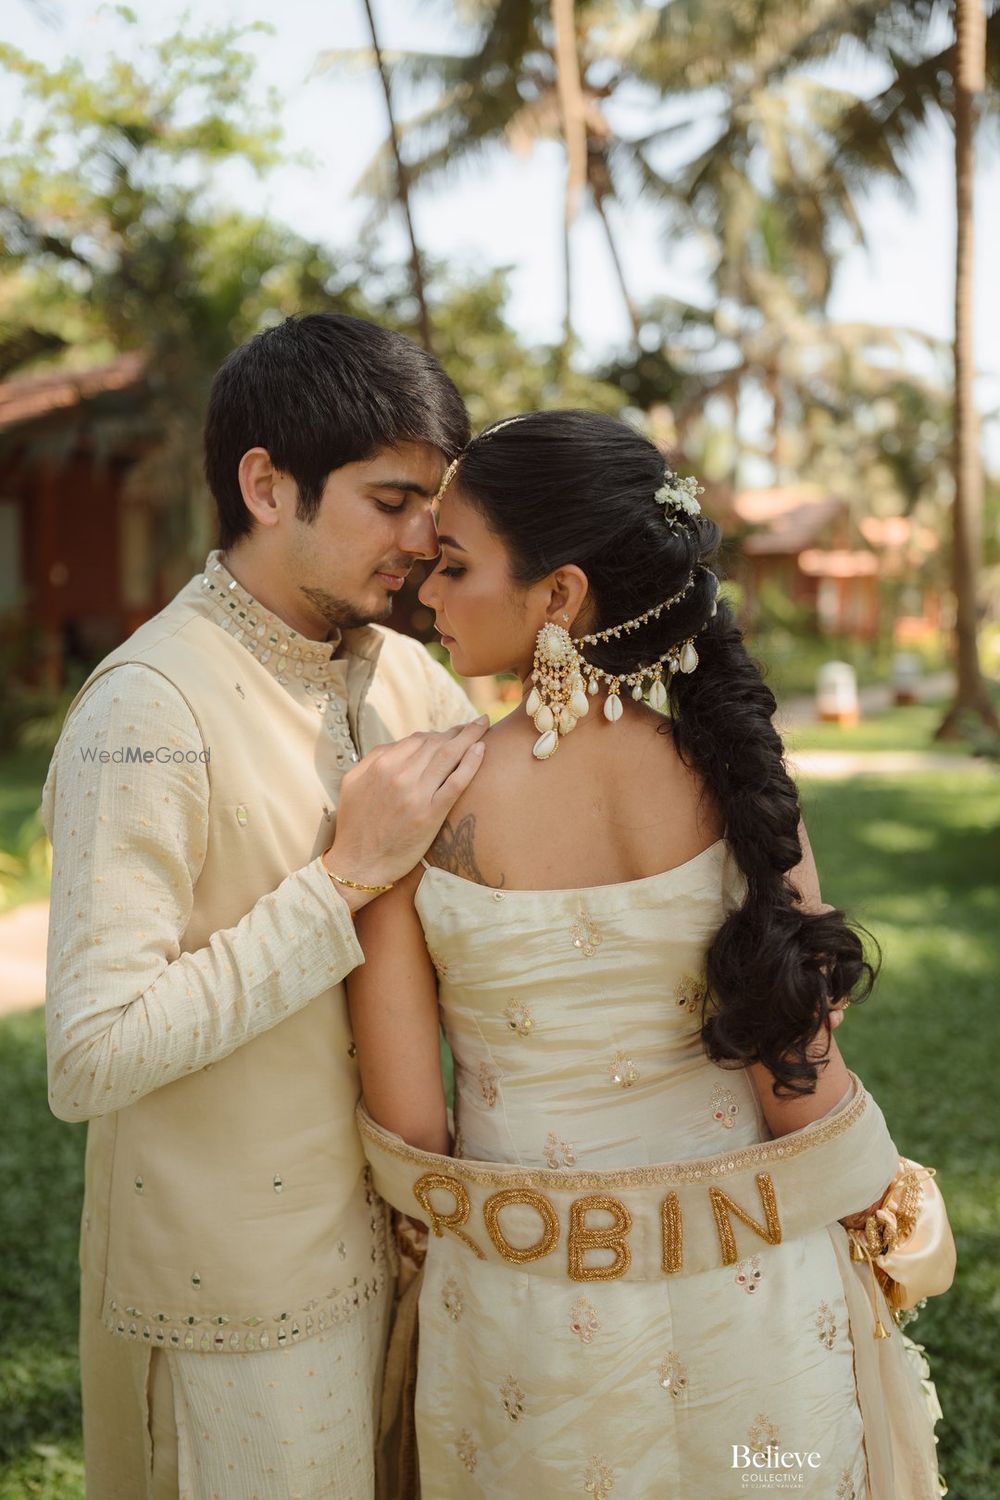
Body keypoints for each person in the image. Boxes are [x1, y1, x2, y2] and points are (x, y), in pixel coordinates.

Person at [348, 410, 947, 1498]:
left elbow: (412, 1131)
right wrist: (879, 1202)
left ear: (560, 595)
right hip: (752, 1303)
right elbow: (797, 1086)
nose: (425, 592)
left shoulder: (416, 806)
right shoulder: (738, 786)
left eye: (454, 564)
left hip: (524, 1317)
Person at [41, 312, 490, 1500]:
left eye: (432, 504)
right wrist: (339, 884)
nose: (422, 538)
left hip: (418, 1256)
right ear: (266, 485)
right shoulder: (145, 709)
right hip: (238, 1309)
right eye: (389, 501)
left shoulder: (406, 675)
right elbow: (89, 1053)